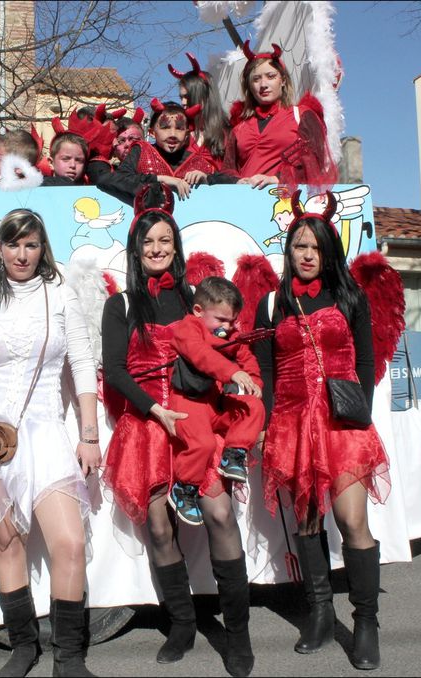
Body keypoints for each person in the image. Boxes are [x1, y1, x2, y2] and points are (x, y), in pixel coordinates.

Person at [0, 209, 101, 678]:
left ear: (42, 249)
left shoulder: (61, 296)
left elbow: (84, 363)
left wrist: (89, 433)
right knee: (6, 540)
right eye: (13, 244)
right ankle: (23, 647)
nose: (22, 254)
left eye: (31, 245)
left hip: (47, 431)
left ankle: (68, 657)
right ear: (0, 249)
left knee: (69, 543)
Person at [100, 202, 254, 677]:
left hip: (196, 423)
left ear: (176, 246)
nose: (157, 249)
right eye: (148, 242)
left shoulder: (196, 299)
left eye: (165, 240)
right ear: (136, 249)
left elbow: (226, 347)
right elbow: (115, 369)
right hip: (147, 426)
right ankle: (182, 625)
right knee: (161, 528)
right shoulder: (121, 304)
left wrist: (240, 378)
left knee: (220, 514)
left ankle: (239, 634)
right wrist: (152, 409)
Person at [253, 195, 389, 671]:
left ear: (329, 252)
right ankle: (321, 614)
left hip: (340, 423)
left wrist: (361, 414)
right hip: (291, 422)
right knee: (308, 524)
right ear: (288, 253)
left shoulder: (350, 297)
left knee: (353, 521)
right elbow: (266, 370)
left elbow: (368, 361)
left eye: (314, 247)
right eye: (298, 247)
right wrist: (268, 424)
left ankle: (366, 622)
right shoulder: (271, 303)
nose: (306, 255)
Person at [167, 276, 265, 526]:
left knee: (253, 406)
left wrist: (254, 384)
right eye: (221, 320)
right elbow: (201, 355)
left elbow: (248, 362)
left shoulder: (232, 335)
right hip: (190, 402)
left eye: (232, 320)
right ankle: (184, 489)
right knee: (203, 444)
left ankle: (234, 454)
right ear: (198, 311)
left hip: (217, 404)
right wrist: (232, 372)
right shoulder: (186, 329)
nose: (228, 326)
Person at [221, 42, 335, 191]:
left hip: (287, 203)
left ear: (283, 80)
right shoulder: (239, 128)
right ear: (249, 86)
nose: (263, 84)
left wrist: (277, 179)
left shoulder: (301, 116)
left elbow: (315, 163)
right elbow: (227, 169)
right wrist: (237, 181)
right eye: (256, 79)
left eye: (270, 76)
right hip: (245, 205)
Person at [98, 99, 224, 206]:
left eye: (179, 128)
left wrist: (206, 178)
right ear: (152, 132)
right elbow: (114, 179)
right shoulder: (140, 151)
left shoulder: (198, 162)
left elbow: (229, 183)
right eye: (165, 127)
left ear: (187, 134)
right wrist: (162, 179)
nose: (172, 134)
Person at [171, 53, 231, 170]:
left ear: (204, 96)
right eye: (181, 97)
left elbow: (234, 173)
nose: (183, 102)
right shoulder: (178, 132)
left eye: (188, 96)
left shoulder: (228, 133)